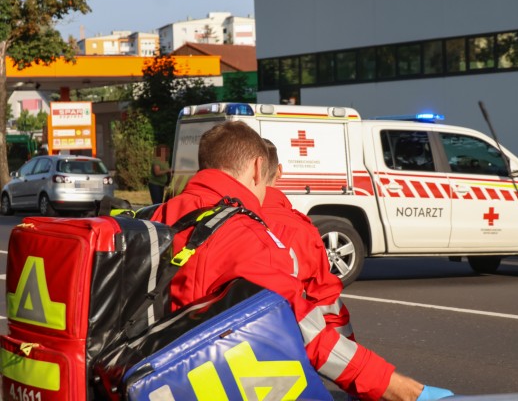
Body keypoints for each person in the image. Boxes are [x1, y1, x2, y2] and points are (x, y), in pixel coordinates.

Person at [150, 121, 453, 401]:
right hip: (216, 384)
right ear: (260, 168)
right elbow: (309, 332)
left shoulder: (157, 218)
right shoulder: (251, 238)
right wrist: (402, 390)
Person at [261, 139, 353, 338]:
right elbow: (327, 302)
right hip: (282, 340)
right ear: (279, 171)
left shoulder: (212, 220)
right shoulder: (300, 229)